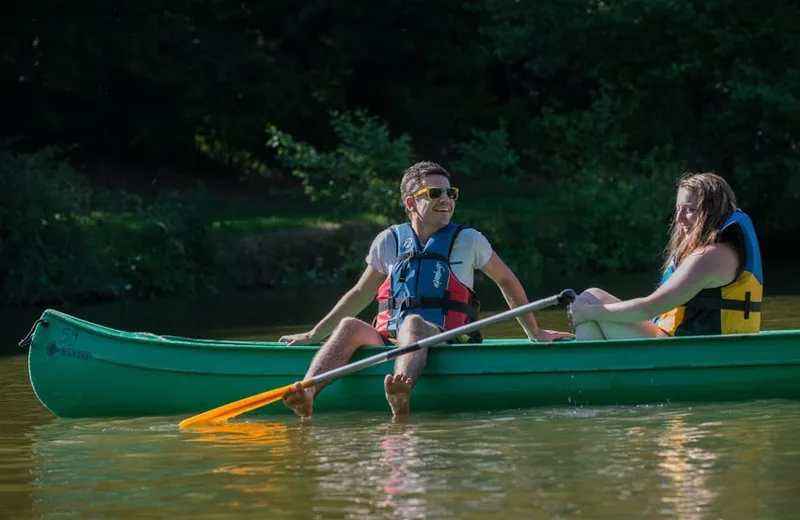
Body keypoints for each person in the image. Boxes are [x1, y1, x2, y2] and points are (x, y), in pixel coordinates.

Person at [278, 161, 573, 418]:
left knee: (414, 323)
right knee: (348, 327)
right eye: (435, 193)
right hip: (390, 339)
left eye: (450, 193)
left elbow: (506, 280)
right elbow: (360, 294)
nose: (446, 199)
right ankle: (307, 393)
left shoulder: (468, 240)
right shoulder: (388, 240)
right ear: (410, 203)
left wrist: (535, 332)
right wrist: (313, 334)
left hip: (444, 337)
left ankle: (400, 390)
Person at [568, 172, 763, 340]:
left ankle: (589, 379)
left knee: (589, 310)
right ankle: (600, 376)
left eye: (690, 210)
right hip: (679, 343)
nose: (679, 219)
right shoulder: (719, 251)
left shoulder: (710, 257)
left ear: (711, 213)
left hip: (695, 351)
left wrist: (589, 312)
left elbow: (650, 308)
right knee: (591, 295)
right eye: (678, 209)